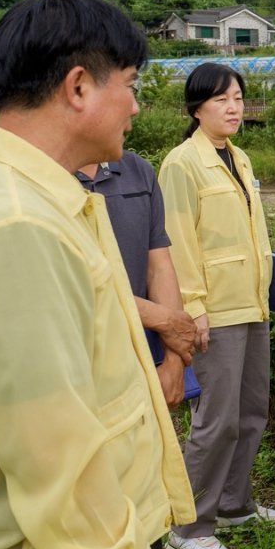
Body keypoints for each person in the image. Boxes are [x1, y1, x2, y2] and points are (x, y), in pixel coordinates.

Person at [0, 0, 195, 549]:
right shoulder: (16, 227)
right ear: (78, 87)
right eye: (131, 84)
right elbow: (50, 444)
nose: (137, 106)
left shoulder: (39, 202)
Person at [158, 63, 275, 549]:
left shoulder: (240, 157)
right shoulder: (181, 164)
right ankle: (188, 524)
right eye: (221, 99)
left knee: (251, 411)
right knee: (216, 420)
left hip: (251, 303)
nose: (233, 107)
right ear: (196, 108)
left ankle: (232, 505)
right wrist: (194, 309)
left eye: (238, 98)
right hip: (215, 311)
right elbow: (176, 242)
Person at [76, 152, 199, 408]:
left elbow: (159, 266)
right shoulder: (40, 182)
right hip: (78, 365)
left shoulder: (139, 171)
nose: (133, 110)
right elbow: (69, 286)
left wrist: (173, 360)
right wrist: (160, 318)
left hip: (142, 357)